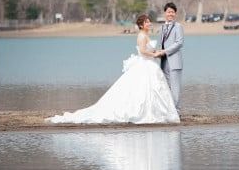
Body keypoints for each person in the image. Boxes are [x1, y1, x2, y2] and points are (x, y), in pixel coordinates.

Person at [46, 14, 180, 124]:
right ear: (141, 25)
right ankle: (144, 113)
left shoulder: (146, 35)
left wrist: (158, 51)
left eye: (149, 22)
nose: (149, 23)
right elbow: (143, 51)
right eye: (147, 22)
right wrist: (155, 54)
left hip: (150, 65)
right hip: (146, 64)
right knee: (144, 90)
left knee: (153, 90)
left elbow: (148, 49)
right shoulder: (141, 36)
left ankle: (155, 112)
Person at [156, 2, 184, 115]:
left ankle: (176, 111)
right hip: (163, 62)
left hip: (174, 61)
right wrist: (157, 53)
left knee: (175, 88)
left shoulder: (178, 27)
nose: (170, 14)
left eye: (172, 12)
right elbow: (160, 44)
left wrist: (165, 52)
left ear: (175, 14)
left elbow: (179, 43)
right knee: (166, 87)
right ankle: (169, 111)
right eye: (168, 12)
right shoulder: (162, 27)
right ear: (165, 13)